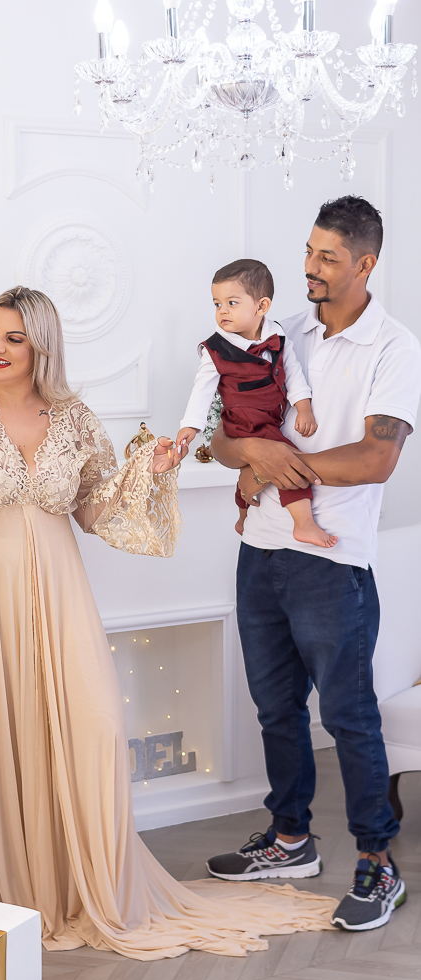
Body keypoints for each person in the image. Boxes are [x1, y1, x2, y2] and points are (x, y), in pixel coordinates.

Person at [0, 286, 335, 959]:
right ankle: (3, 890)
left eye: (14, 338)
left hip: (58, 587)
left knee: (93, 724)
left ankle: (82, 881)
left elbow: (98, 509)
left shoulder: (75, 418)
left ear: (42, 346)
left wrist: (149, 467)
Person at [206, 197, 421, 932]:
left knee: (350, 717)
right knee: (274, 710)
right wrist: (249, 453)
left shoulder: (393, 347)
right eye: (307, 251)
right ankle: (290, 839)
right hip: (258, 553)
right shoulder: (279, 330)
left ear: (365, 264)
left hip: (331, 565)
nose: (308, 268)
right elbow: (221, 435)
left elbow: (375, 457)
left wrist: (278, 460)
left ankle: (376, 863)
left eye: (327, 257)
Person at [177, 259, 337, 548]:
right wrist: (190, 427)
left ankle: (242, 516)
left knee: (251, 472)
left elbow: (294, 376)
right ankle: (304, 524)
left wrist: (304, 408)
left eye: (232, 302)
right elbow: (202, 390)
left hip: (269, 417)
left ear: (262, 306)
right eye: (216, 304)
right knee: (289, 463)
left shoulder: (278, 337)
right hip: (243, 421)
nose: (222, 311)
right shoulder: (216, 349)